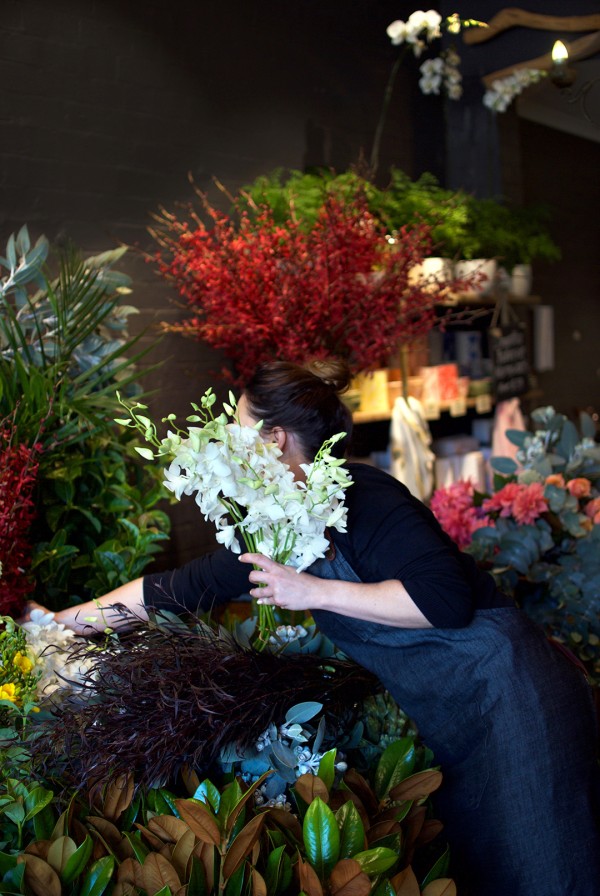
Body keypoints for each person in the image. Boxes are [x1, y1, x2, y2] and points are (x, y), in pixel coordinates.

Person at [34, 359, 600, 895]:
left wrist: (313, 591)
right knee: (487, 868)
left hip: (515, 696)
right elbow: (173, 591)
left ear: (275, 438)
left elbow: (444, 600)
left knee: (547, 872)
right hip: (461, 713)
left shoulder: (366, 496)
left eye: (238, 426)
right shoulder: (277, 521)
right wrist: (52, 624)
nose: (231, 441)